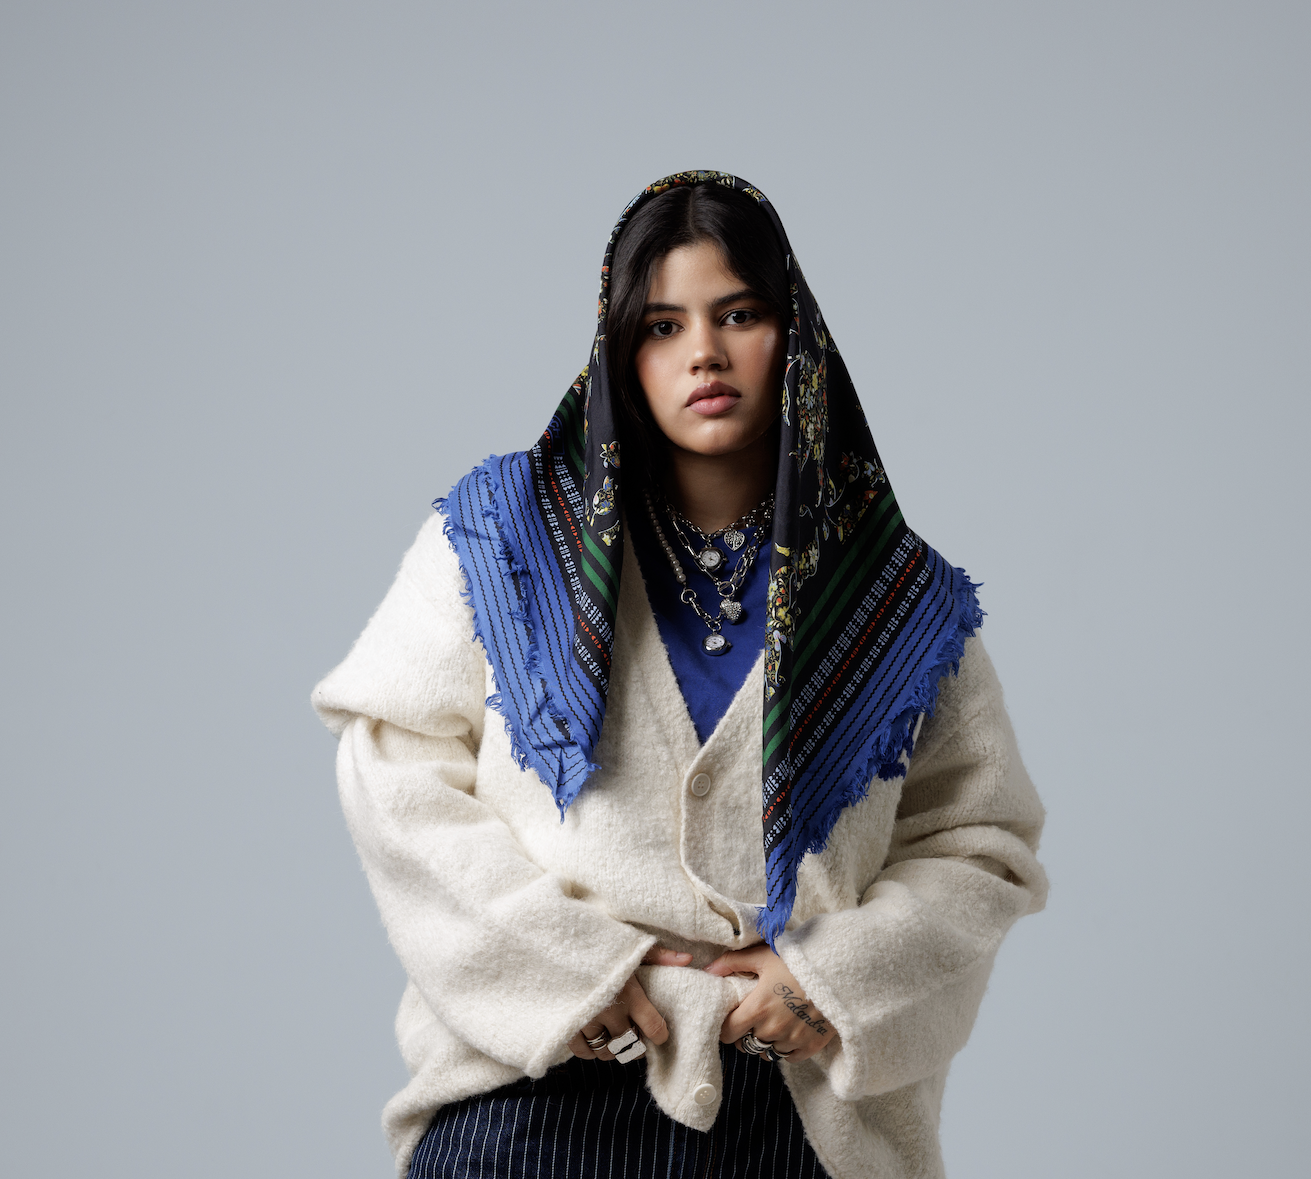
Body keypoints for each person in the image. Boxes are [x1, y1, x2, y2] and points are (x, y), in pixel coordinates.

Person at [312, 171, 1048, 1179]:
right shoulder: (502, 539)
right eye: (662, 326)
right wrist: (564, 970)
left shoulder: (893, 594)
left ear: (794, 334)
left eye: (738, 314)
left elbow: (979, 844)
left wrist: (830, 983)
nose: (704, 352)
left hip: (795, 1117)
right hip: (531, 1093)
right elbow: (391, 770)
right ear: (620, 350)